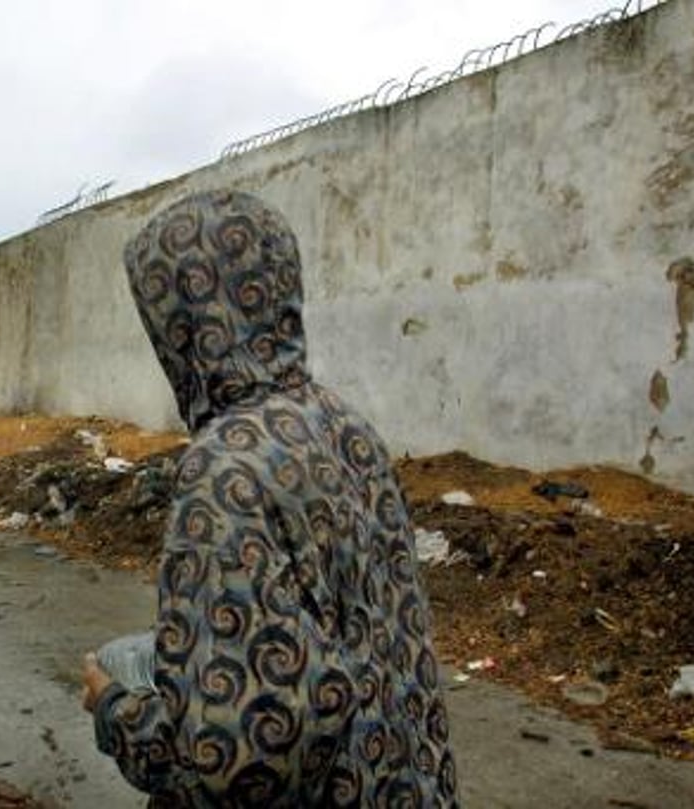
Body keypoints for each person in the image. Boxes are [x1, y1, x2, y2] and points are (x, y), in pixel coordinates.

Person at [81, 190, 458, 806]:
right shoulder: (346, 426)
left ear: (182, 321)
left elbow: (239, 760)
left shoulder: (224, 470)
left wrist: (115, 709)